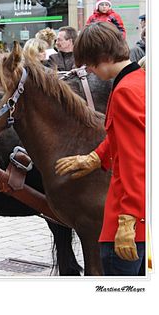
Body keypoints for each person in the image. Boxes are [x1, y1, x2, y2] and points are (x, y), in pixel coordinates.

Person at [54, 21, 146, 276]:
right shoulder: (139, 80)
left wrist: (128, 219)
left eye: (90, 65)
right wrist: (95, 158)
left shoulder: (125, 91)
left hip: (127, 218)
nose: (90, 72)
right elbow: (124, 136)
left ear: (103, 57)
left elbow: (134, 159)